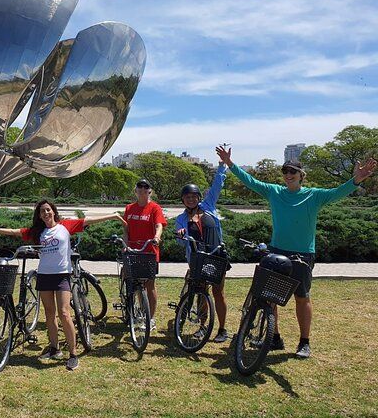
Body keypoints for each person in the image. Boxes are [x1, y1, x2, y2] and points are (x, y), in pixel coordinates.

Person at [216, 145, 376, 358]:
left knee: (302, 297)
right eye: (285, 171)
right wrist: (229, 164)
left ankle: (304, 342)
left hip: (303, 254)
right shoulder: (274, 192)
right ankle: (274, 337)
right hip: (277, 251)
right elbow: (251, 182)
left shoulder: (314, 195)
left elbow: (337, 193)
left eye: (293, 172)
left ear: (301, 176)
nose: (288, 175)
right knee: (270, 297)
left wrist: (356, 180)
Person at [0, 200, 126, 371]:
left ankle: (73, 354)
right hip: (44, 275)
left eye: (48, 210)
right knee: (50, 314)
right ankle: (55, 349)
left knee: (65, 313)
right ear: (39, 215)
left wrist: (114, 216)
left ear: (53, 211)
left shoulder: (65, 225)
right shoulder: (38, 232)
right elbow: (15, 232)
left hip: (61, 275)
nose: (46, 213)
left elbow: (88, 220)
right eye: (42, 211)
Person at [175, 163, 230, 343]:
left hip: (216, 256)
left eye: (194, 196)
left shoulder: (209, 206)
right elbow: (179, 239)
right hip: (197, 260)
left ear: (199, 197)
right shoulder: (181, 219)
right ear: (183, 200)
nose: (191, 199)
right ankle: (203, 325)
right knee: (200, 292)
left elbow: (216, 186)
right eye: (187, 197)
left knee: (218, 292)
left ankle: (222, 329)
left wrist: (222, 167)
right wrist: (181, 235)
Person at [123, 178, 167, 330]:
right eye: (139, 187)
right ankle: (131, 311)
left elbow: (159, 225)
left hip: (149, 251)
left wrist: (157, 237)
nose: (142, 190)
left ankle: (151, 318)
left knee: (149, 285)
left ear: (150, 191)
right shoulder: (129, 208)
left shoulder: (154, 208)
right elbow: (126, 230)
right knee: (131, 282)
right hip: (133, 252)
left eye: (145, 187)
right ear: (135, 191)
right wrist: (125, 244)